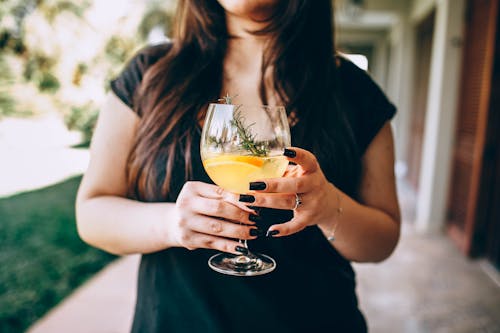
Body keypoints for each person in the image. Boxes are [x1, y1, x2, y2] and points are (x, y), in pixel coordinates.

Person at [75, 0, 401, 332]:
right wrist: (171, 224)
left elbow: (383, 241)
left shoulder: (354, 91)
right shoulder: (150, 74)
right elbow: (91, 213)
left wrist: (329, 207)